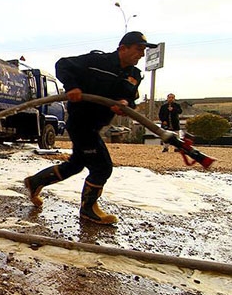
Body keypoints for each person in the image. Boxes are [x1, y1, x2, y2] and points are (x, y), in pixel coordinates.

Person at [24, 31, 157, 225]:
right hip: (81, 122)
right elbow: (63, 65)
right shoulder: (97, 61)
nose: (142, 54)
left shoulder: (134, 75)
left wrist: (124, 103)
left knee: (76, 164)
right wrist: (72, 86)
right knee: (102, 167)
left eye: (144, 50)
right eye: (138, 49)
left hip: (96, 124)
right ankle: (88, 210)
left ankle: (35, 182)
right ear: (123, 48)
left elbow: (131, 98)